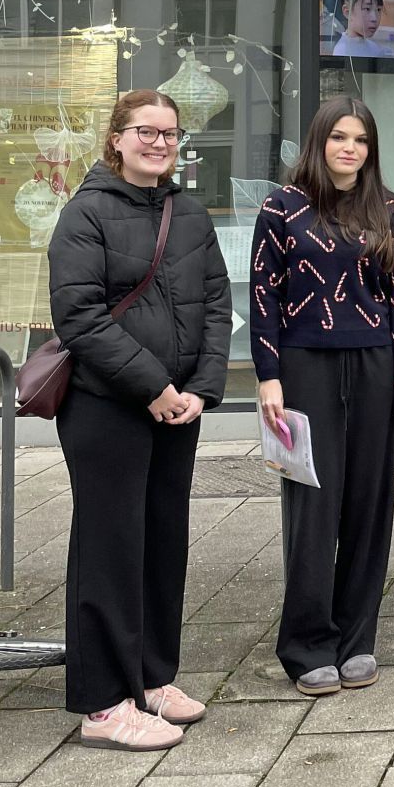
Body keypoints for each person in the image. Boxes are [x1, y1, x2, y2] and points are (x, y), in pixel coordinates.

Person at [48, 90, 230, 751]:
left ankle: (150, 678)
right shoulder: (85, 214)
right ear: (117, 139)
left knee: (160, 543)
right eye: (145, 132)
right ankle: (102, 703)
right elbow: (80, 319)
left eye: (170, 134)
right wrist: (153, 385)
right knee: (109, 550)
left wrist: (201, 390)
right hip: (106, 406)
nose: (159, 143)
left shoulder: (188, 212)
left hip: (177, 407)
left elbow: (216, 302)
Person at [251, 97, 394, 696]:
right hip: (303, 370)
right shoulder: (282, 207)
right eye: (339, 137)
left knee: (369, 507)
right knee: (312, 508)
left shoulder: (389, 208)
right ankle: (306, 645)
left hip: (373, 365)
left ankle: (356, 640)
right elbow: (264, 295)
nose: (350, 148)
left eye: (361, 140)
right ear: (319, 141)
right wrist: (267, 376)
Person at [329, 0, 394, 58]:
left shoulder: (375, 49)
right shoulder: (342, 51)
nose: (374, 18)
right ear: (348, 12)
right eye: (367, 9)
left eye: (378, 9)